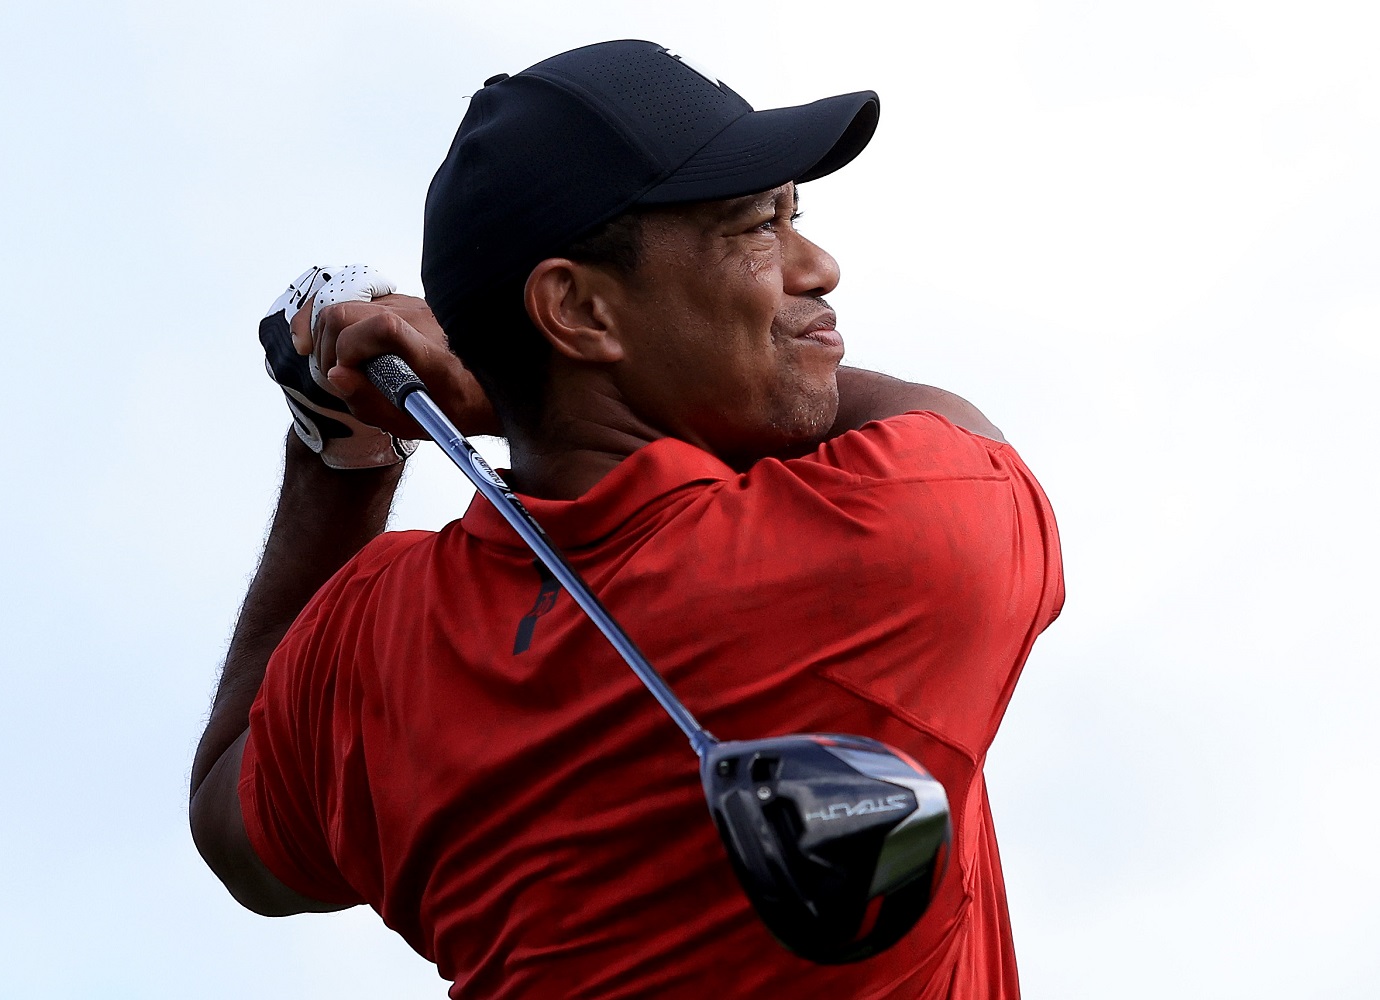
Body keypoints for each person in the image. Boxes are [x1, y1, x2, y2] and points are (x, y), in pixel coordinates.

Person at [190, 39, 1064, 999]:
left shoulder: (371, 645)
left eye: (795, 215)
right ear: (577, 311)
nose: (820, 266)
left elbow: (233, 830)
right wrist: (497, 395)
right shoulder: (892, 537)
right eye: (756, 228)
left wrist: (342, 451)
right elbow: (948, 431)